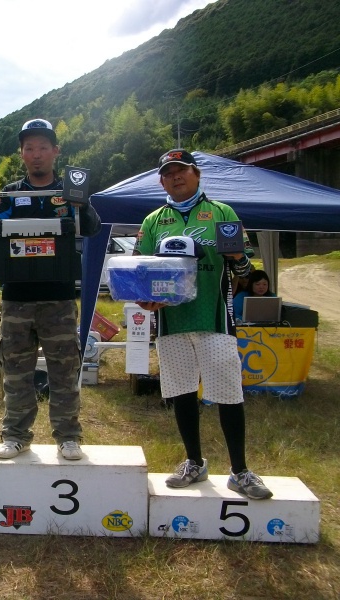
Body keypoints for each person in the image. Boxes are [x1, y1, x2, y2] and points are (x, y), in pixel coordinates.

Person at [135, 149, 272, 500]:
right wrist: (143, 298)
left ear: (196, 174)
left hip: (214, 319)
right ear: (161, 180)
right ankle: (194, 462)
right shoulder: (152, 221)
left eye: (182, 171)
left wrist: (239, 257)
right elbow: (140, 272)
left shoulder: (222, 212)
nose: (175, 177)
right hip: (172, 321)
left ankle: (240, 471)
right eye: (168, 173)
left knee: (228, 394)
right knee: (181, 392)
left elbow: (244, 272)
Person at [0, 118, 102, 461]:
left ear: (55, 151)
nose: (36, 155)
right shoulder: (7, 194)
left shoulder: (70, 192)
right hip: (16, 300)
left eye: (43, 147)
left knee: (64, 372)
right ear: (22, 153)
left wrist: (83, 204)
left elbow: (92, 227)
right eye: (29, 148)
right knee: (16, 373)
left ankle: (68, 436)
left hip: (59, 299)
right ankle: (16, 435)